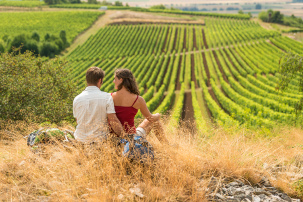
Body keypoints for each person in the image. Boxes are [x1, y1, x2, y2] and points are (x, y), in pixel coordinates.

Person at [110, 68, 168, 144]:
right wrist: (158, 115)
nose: (114, 81)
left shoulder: (109, 97)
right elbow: (151, 118)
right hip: (132, 138)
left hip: (114, 137)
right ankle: (166, 145)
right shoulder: (138, 99)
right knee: (154, 120)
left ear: (121, 80)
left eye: (115, 79)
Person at [73, 66, 124, 143]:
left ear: (87, 80)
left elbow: (78, 121)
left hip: (80, 140)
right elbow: (113, 121)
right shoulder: (107, 97)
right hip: (100, 141)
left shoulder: (77, 99)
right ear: (100, 80)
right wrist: (124, 136)